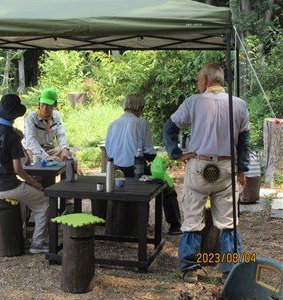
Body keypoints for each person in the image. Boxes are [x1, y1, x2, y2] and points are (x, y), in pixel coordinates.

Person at [163, 63, 250, 283]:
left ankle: (189, 269)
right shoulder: (239, 104)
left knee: (192, 219)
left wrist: (176, 154)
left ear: (204, 79)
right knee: (229, 222)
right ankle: (229, 270)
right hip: (225, 168)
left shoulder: (193, 102)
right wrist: (242, 169)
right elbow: (244, 141)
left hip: (199, 167)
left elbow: (169, 129)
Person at [105, 94, 182, 236]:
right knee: (168, 187)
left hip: (116, 173)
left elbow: (109, 152)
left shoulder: (112, 124)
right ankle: (175, 225)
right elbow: (150, 153)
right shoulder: (142, 124)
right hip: (137, 172)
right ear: (140, 108)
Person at [0, 94, 50, 254]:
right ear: (15, 116)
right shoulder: (12, 136)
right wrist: (33, 182)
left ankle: (20, 235)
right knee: (44, 202)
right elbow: (18, 169)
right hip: (6, 186)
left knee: (25, 198)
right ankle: (37, 243)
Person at [24, 88, 70, 161]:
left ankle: (68, 172)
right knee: (38, 161)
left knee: (69, 156)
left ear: (55, 105)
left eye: (48, 105)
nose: (45, 108)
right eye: (43, 104)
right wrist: (46, 157)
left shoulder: (56, 116)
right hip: (33, 151)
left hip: (49, 149)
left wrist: (64, 149)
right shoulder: (31, 117)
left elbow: (60, 135)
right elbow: (31, 140)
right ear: (39, 103)